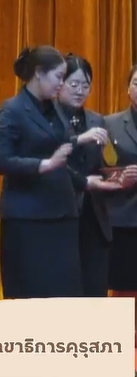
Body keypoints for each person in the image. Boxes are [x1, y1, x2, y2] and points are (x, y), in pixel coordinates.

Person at [0, 45, 83, 298]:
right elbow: (2, 161)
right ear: (39, 73)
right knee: (30, 291)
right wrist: (44, 165)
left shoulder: (56, 107)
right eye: (58, 77)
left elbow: (60, 146)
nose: (62, 84)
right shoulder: (12, 109)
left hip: (62, 213)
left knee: (64, 291)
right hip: (28, 217)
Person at [55, 53, 123, 297]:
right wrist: (84, 182)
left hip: (94, 215)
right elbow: (50, 159)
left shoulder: (97, 120)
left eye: (85, 85)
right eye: (74, 84)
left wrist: (115, 175)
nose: (80, 91)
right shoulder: (48, 119)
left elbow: (105, 161)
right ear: (59, 84)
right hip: (59, 212)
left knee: (94, 287)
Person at [103, 63, 137, 345]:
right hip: (124, 216)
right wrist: (121, 176)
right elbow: (98, 169)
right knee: (125, 284)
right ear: (127, 89)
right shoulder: (109, 124)